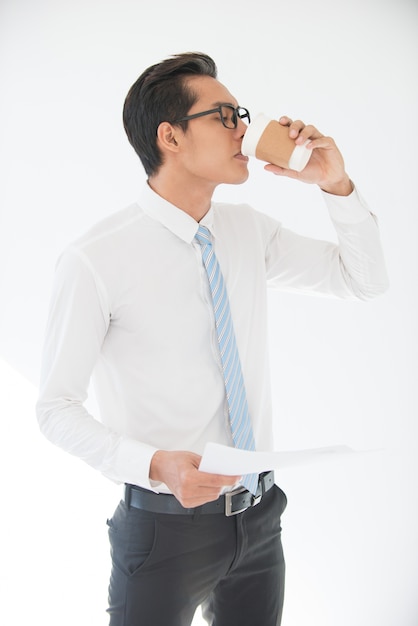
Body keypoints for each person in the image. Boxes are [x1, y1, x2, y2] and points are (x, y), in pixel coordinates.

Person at [36, 52, 389, 626]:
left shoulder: (246, 230)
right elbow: (54, 409)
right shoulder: (95, 259)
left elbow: (364, 281)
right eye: (224, 115)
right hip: (164, 527)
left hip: (259, 517)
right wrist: (155, 464)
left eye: (240, 113)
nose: (244, 128)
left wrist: (336, 184)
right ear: (169, 136)